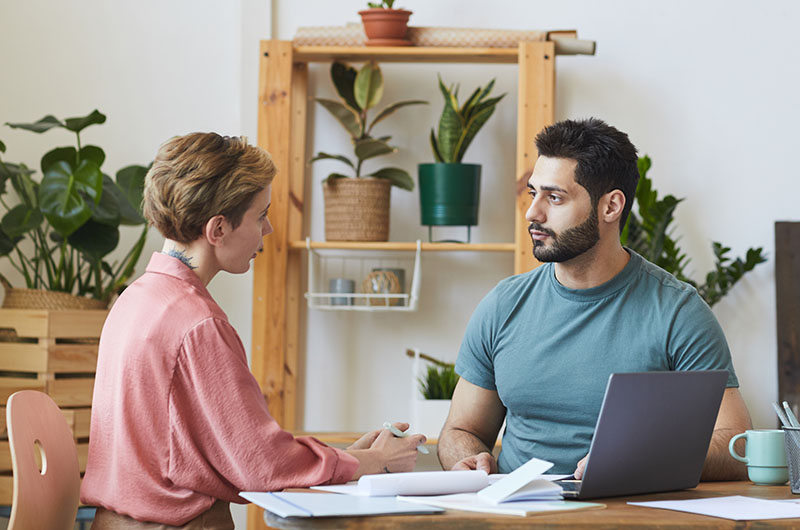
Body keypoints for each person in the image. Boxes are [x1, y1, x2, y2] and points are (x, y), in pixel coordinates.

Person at [81, 132, 426, 529]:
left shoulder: (133, 300)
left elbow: (209, 453)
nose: (269, 229)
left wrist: (348, 459)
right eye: (260, 215)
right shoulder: (198, 324)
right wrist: (376, 463)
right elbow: (262, 466)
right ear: (218, 230)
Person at [437, 118, 752, 481]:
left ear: (611, 207)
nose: (532, 213)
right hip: (517, 512)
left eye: (554, 197)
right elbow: (462, 431)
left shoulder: (678, 312)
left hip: (626, 514)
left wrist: (641, 461)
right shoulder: (503, 305)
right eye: (533, 192)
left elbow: (736, 445)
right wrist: (468, 459)